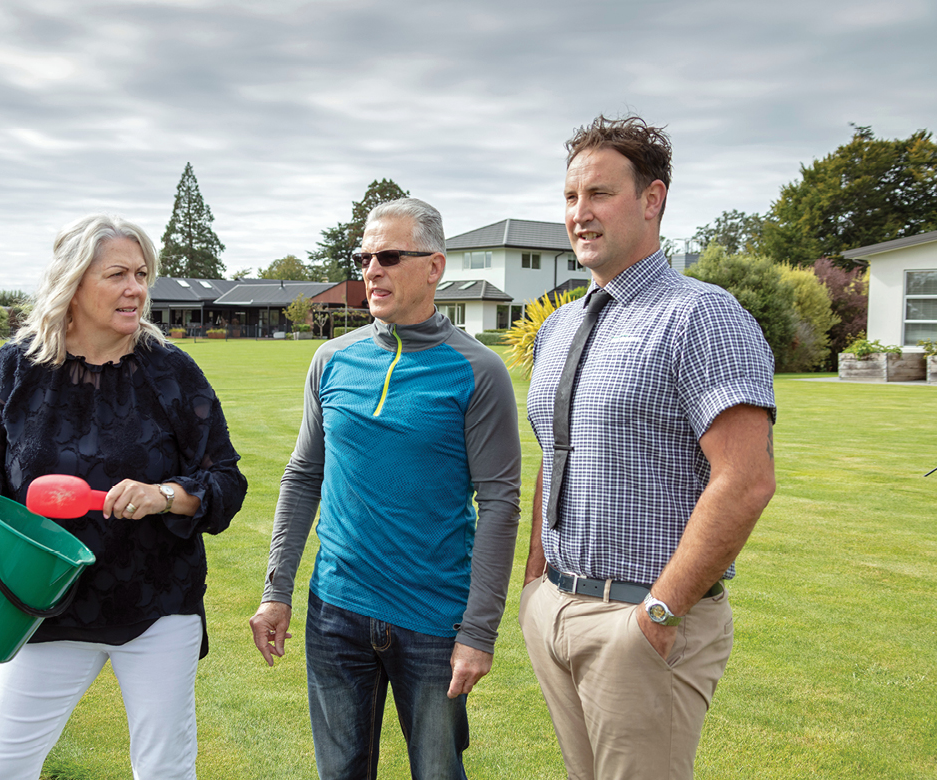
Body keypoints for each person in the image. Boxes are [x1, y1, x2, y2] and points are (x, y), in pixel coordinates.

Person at [518, 115, 778, 780]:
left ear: (652, 200)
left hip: (641, 621)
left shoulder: (702, 316)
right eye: (571, 197)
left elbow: (745, 480)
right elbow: (556, 453)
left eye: (600, 194)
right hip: (557, 610)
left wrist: (658, 614)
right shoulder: (561, 327)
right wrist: (534, 586)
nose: (580, 214)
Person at [0, 213, 247, 779]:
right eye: (118, 274)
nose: (136, 289)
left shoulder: (172, 374)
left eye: (141, 274)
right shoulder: (18, 366)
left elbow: (226, 482)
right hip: (40, 603)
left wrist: (164, 495)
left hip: (156, 604)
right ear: (75, 282)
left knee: (165, 769)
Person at [249, 197, 521, 779]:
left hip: (432, 619)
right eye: (365, 257)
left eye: (390, 256)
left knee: (438, 772)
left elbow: (500, 504)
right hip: (335, 613)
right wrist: (278, 589)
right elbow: (302, 477)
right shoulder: (331, 360)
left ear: (434, 267)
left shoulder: (477, 371)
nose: (372, 270)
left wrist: (478, 632)